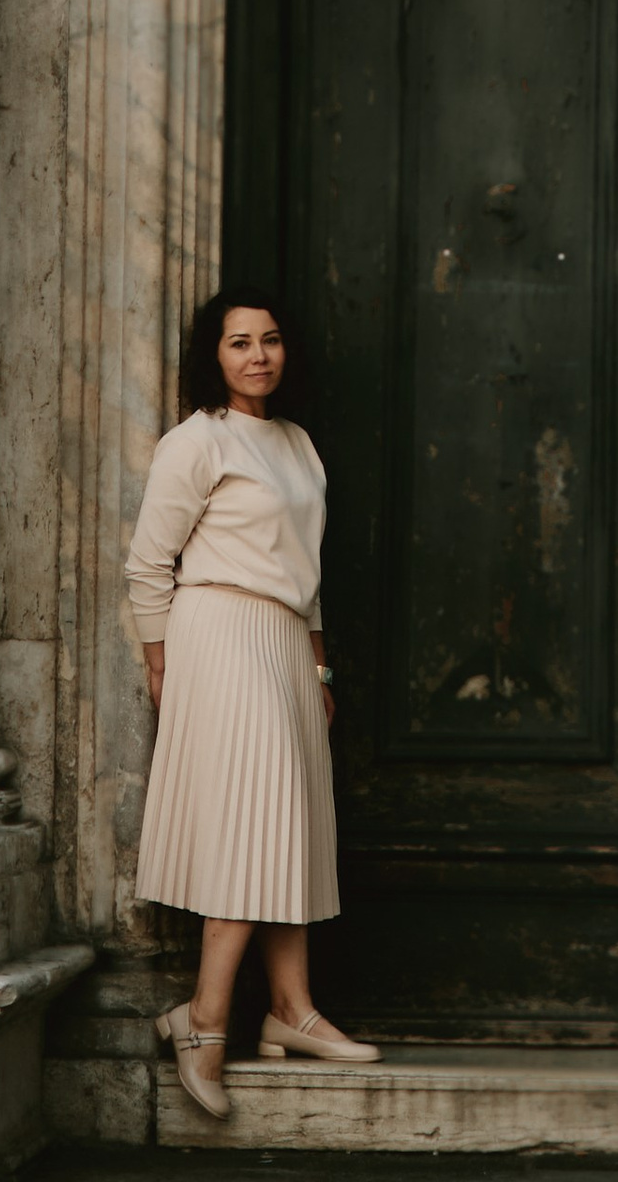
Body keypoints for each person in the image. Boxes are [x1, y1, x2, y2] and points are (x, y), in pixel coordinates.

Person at [127, 290, 379, 1117]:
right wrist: (163, 665)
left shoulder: (297, 444)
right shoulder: (196, 441)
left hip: (283, 644)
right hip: (219, 632)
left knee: (292, 824)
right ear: (216, 355)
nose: (258, 356)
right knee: (248, 827)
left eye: (270, 341)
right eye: (240, 344)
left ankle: (290, 1011)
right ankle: (203, 1023)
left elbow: (305, 575)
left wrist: (319, 670)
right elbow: (148, 564)